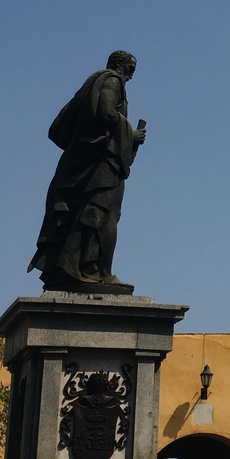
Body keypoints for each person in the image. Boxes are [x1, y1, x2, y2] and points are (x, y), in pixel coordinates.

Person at [28, 50, 146, 290]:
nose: (131, 76)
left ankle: (83, 268)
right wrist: (130, 134)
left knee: (97, 214)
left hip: (96, 159)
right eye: (131, 69)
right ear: (119, 64)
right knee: (100, 214)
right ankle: (92, 270)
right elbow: (105, 113)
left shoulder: (98, 82)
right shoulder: (113, 81)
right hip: (102, 162)